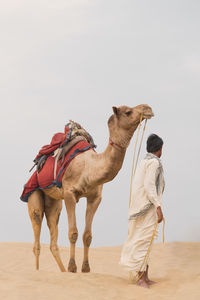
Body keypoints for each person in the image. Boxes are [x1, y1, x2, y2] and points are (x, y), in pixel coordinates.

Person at [120, 134, 165, 288]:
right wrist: (158, 206)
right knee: (143, 242)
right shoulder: (153, 163)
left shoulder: (143, 162)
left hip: (138, 208)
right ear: (160, 148)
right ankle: (140, 279)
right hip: (146, 208)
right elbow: (149, 185)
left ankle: (145, 277)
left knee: (145, 241)